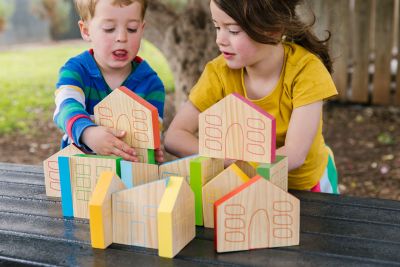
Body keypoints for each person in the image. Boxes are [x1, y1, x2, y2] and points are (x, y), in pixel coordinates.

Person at [164, 0, 339, 193]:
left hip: (305, 188)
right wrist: (224, 159)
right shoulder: (218, 72)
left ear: (272, 30)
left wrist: (238, 165)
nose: (219, 39)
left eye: (233, 30)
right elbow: (175, 136)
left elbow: (295, 154)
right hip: (243, 185)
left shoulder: (306, 71)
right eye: (217, 26)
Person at [54, 0, 165, 162]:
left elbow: (151, 137)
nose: (121, 38)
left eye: (132, 29)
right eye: (109, 29)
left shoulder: (151, 84)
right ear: (86, 31)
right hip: (80, 172)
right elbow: (64, 108)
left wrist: (151, 151)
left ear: (142, 29)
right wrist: (88, 133)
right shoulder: (76, 71)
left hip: (130, 174)